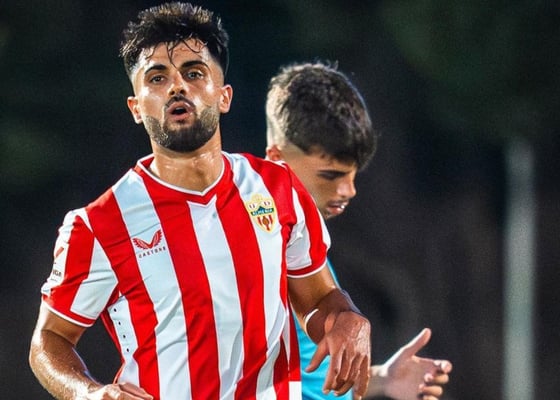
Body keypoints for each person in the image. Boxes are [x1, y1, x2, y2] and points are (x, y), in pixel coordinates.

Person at [28, 4, 371, 400]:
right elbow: (49, 339)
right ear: (136, 108)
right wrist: (87, 393)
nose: (177, 86)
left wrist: (347, 319)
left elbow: (318, 300)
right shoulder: (99, 225)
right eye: (157, 77)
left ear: (224, 96)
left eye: (193, 73)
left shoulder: (278, 188)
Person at [265, 61, 453, 400]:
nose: (348, 190)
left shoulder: (303, 248)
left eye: (353, 175)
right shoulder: (249, 247)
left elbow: (311, 380)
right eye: (331, 175)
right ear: (277, 159)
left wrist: (383, 379)